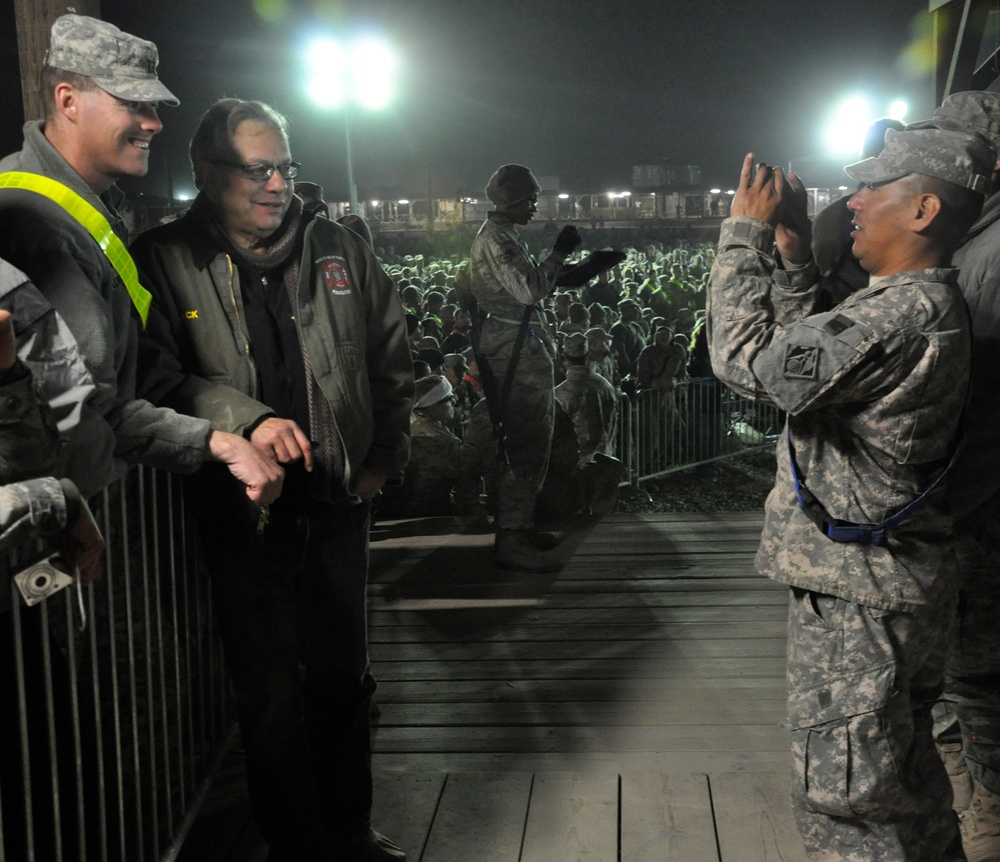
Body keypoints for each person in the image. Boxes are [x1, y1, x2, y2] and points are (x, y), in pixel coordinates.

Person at [131, 98, 412, 862]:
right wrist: (247, 420)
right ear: (207, 174)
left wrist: (381, 461)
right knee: (268, 693)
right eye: (258, 169)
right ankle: (294, 843)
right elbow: (155, 376)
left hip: (337, 505)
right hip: (242, 512)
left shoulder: (338, 247)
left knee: (343, 679)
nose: (277, 184)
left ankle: (350, 832)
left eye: (285, 166)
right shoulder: (163, 256)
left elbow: (391, 357)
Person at [707, 129, 994, 861]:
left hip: (862, 602)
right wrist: (798, 259)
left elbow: (751, 364)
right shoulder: (913, 307)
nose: (853, 201)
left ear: (923, 209)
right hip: (890, 586)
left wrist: (742, 237)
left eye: (873, 189)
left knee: (849, 802)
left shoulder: (897, 316)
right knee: (902, 783)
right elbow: (815, 350)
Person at [0, 13, 282, 505]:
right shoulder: (41, 228)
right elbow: (81, 412)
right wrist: (213, 441)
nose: (154, 122)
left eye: (152, 104)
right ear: (67, 100)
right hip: (61, 513)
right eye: (132, 103)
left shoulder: (69, 205)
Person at [909, 91, 1000, 862]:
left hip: (972, 509)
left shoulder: (989, 253)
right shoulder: (974, 240)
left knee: (974, 676)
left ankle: (987, 811)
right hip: (959, 504)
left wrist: (943, 508)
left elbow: (984, 406)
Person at [467, 163, 581, 572]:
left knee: (532, 440)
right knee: (527, 442)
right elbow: (530, 290)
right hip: (514, 350)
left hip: (518, 344)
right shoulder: (498, 240)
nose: (535, 206)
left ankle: (520, 522)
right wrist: (560, 253)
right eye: (530, 199)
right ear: (512, 201)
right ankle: (511, 537)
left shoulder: (504, 235)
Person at [378, 374, 460, 517]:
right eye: (448, 398)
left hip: (391, 512)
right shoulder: (447, 442)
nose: (454, 400)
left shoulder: (400, 431)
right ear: (431, 405)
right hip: (435, 514)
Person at [554, 332, 618, 463]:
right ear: (587, 355)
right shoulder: (605, 385)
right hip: (606, 458)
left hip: (578, 464)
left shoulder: (560, 393)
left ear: (564, 358)